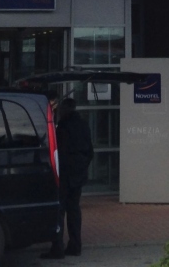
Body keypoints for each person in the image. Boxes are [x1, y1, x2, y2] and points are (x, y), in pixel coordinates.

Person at [42, 97, 94, 259]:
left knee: (60, 210)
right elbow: (90, 151)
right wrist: (82, 167)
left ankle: (57, 247)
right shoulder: (83, 125)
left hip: (65, 174)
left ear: (65, 110)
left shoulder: (63, 127)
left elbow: (59, 152)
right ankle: (75, 245)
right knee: (74, 210)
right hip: (78, 174)